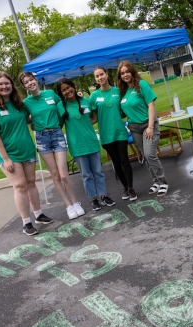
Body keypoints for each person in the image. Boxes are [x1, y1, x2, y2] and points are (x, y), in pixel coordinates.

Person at [0, 71, 53, 236]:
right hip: (8, 154)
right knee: (20, 185)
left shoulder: (18, 103)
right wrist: (5, 159)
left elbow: (31, 115)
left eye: (7, 83)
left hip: (26, 148)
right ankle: (26, 222)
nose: (4, 86)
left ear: (12, 86)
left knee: (31, 182)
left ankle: (38, 214)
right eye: (1, 84)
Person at [19, 72, 85, 220]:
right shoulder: (26, 103)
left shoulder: (50, 94)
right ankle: (68, 206)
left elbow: (64, 103)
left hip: (57, 134)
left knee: (63, 174)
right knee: (55, 175)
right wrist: (33, 121)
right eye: (26, 82)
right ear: (24, 87)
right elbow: (25, 119)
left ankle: (75, 203)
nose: (30, 83)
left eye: (31, 79)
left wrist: (78, 96)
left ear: (36, 80)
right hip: (42, 139)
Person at [55, 78, 116, 211]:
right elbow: (58, 124)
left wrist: (86, 126)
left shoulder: (85, 101)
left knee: (98, 171)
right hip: (77, 145)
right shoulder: (60, 106)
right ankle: (93, 199)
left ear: (73, 86)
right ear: (61, 93)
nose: (67, 91)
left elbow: (94, 117)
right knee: (86, 174)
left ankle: (103, 195)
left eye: (69, 87)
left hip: (91, 141)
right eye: (64, 90)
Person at [117, 60, 169, 196]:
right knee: (145, 156)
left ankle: (163, 182)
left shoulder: (142, 85)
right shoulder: (123, 92)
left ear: (132, 71)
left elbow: (151, 106)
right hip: (134, 128)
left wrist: (151, 127)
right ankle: (156, 181)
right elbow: (123, 111)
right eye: (122, 73)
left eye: (127, 71)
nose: (125, 75)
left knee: (150, 154)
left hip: (148, 124)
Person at [90, 66, 137, 201]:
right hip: (106, 135)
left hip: (120, 132)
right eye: (97, 76)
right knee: (116, 163)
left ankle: (131, 188)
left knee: (125, 161)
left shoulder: (118, 91)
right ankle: (125, 187)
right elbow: (93, 118)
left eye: (102, 74)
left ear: (106, 74)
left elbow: (124, 109)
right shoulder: (93, 96)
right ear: (95, 79)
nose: (100, 78)